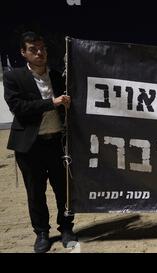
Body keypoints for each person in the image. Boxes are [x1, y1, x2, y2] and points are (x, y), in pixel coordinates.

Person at [3, 32, 77, 253]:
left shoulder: (57, 76)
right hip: (30, 146)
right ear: (23, 53)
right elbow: (19, 108)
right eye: (33, 49)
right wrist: (51, 103)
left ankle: (66, 229)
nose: (39, 52)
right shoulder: (14, 77)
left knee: (64, 192)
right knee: (35, 192)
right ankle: (42, 233)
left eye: (42, 48)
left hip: (57, 144)